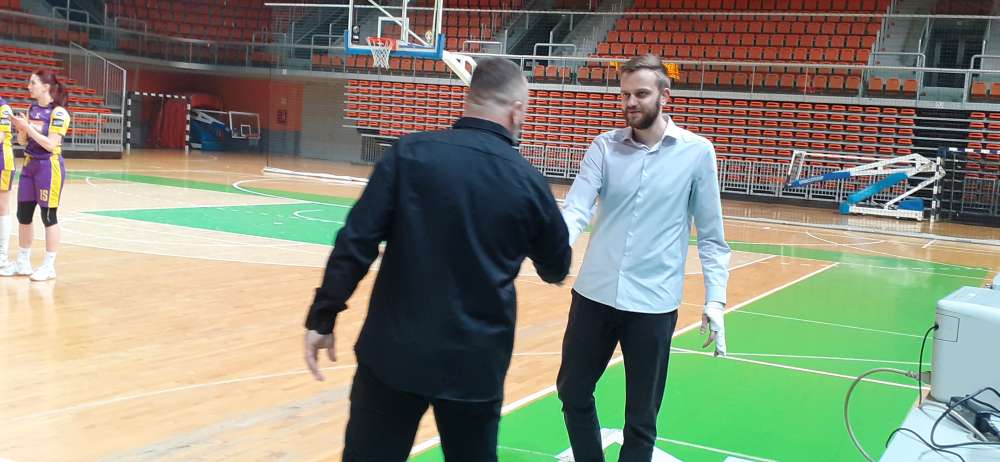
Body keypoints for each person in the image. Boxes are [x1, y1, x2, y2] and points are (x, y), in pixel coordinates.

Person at [302, 57, 572, 461]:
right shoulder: (529, 182)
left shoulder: (409, 154)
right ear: (517, 111)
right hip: (474, 366)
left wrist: (323, 315)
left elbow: (356, 241)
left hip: (394, 354)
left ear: (469, 99)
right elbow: (557, 266)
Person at [556, 54, 732, 462]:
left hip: (653, 305)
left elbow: (711, 237)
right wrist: (556, 243)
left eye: (640, 94)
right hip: (594, 295)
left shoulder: (697, 153)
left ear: (665, 96)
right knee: (572, 391)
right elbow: (577, 208)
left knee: (641, 418)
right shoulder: (604, 147)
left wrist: (716, 300)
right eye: (624, 95)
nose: (630, 103)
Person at [2, 69, 71, 281]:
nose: (28, 87)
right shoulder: (31, 109)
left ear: (45, 87)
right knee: (23, 215)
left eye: (33, 83)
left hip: (48, 167)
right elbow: (23, 142)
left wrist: (28, 128)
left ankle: (49, 266)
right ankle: (23, 262)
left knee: (48, 217)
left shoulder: (59, 113)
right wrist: (21, 130)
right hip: (29, 165)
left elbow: (51, 144)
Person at [0, 97, 14, 271]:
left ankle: (2, 256)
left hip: (2, 161)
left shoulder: (3, 108)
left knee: (2, 207)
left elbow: (1, 136)